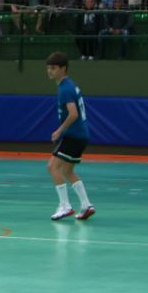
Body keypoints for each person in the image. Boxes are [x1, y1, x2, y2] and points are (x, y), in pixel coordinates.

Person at [44, 52, 93, 221]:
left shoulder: (65, 88)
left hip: (73, 135)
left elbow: (73, 114)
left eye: (53, 68)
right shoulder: (69, 85)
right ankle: (86, 205)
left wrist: (59, 130)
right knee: (67, 170)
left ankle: (65, 206)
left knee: (52, 167)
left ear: (63, 69)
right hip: (81, 135)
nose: (50, 71)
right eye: (48, 68)